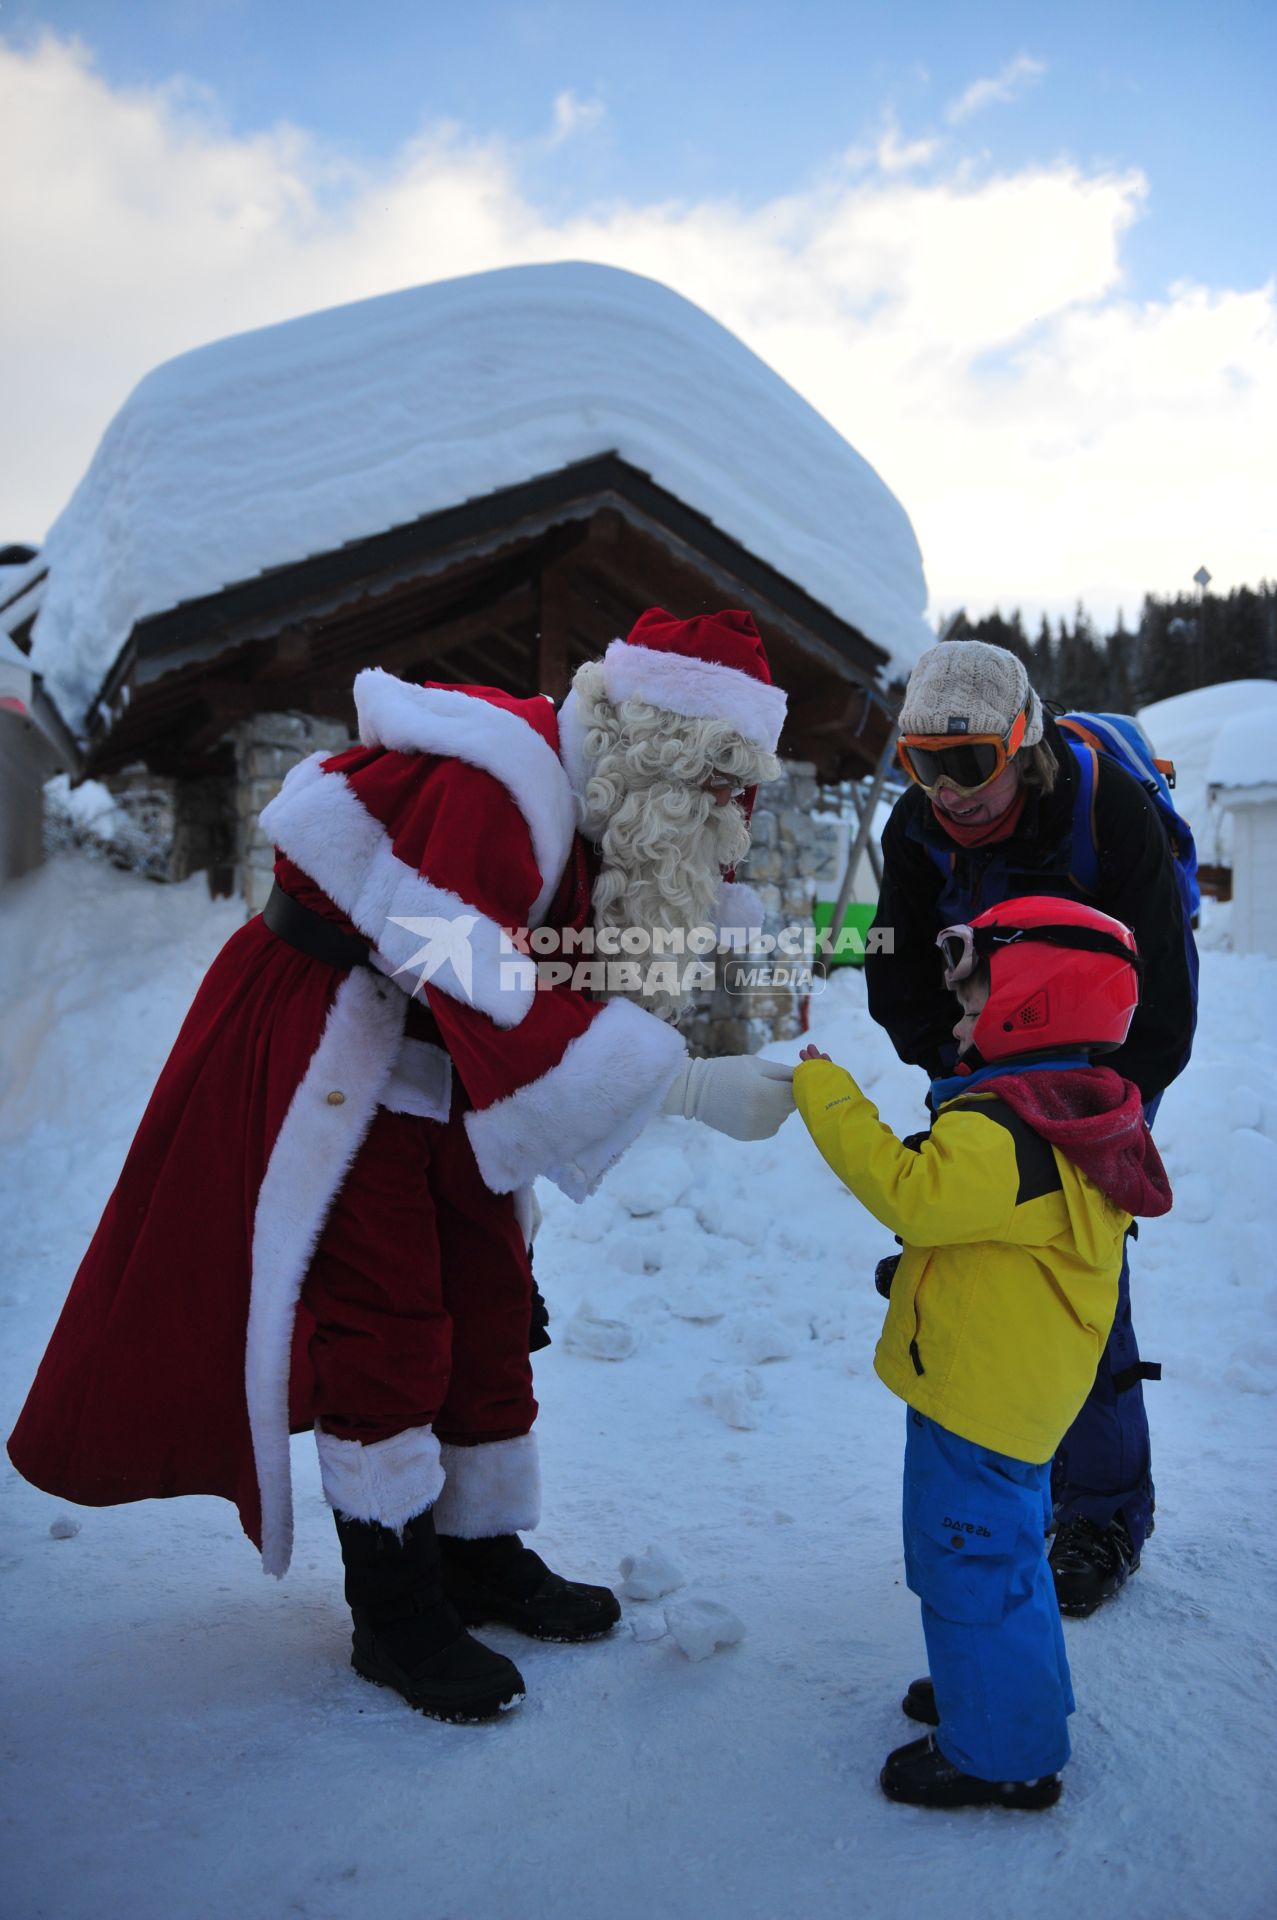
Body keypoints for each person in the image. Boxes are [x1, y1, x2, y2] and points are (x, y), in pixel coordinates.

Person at [8, 606, 797, 1724]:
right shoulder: (502, 784)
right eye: (720, 788)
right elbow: (442, 957)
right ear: (663, 752)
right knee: (385, 1312)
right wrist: (679, 1087)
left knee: (486, 1293)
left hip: (435, 1048)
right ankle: (393, 1605)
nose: (731, 820)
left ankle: (478, 1551)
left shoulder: (602, 803)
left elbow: (537, 969)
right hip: (335, 1035)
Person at [796, 895, 1172, 1808]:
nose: (957, 1023)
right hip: (1015, 1389)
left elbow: (913, 1195)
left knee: (969, 1563)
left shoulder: (998, 1128)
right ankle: (993, 1687)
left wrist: (827, 1095)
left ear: (1031, 1003)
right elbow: (1002, 1243)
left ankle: (1003, 1754)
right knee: (998, 1560)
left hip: (979, 1403)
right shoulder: (1075, 1109)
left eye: (971, 1003)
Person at [864, 640, 1195, 1614]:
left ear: (1023, 741)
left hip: (1097, 1078)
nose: (946, 790)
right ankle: (999, 1495)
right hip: (974, 1070)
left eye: (968, 763)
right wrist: (959, 1077)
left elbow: (1164, 1005)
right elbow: (892, 970)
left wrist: (1092, 1125)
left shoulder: (1107, 815)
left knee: (1072, 1295)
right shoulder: (915, 830)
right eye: (921, 764)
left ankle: (1098, 1515)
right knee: (969, 1281)